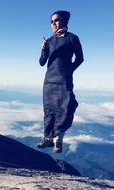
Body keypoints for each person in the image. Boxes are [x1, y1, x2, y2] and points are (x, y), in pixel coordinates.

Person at [36, 10, 84, 153]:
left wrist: (69, 70)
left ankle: (58, 138)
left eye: (56, 20)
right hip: (49, 81)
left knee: (65, 108)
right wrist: (44, 49)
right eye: (51, 21)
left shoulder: (72, 38)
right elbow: (41, 62)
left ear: (64, 21)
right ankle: (48, 139)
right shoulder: (49, 41)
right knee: (49, 110)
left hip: (63, 80)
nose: (53, 24)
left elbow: (80, 59)